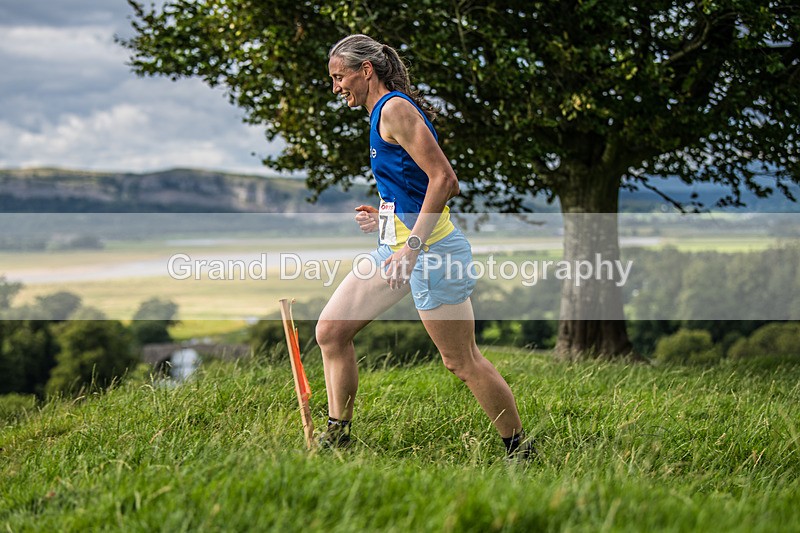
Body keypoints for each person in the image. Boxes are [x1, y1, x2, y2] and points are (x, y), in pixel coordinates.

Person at [316, 34, 534, 460]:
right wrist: (384, 217)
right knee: (331, 331)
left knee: (461, 361)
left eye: (339, 77)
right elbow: (413, 187)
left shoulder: (394, 109)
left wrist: (412, 247)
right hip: (397, 251)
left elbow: (445, 180)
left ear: (366, 70)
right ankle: (337, 437)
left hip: (431, 253)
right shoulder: (380, 113)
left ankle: (520, 451)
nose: (336, 87)